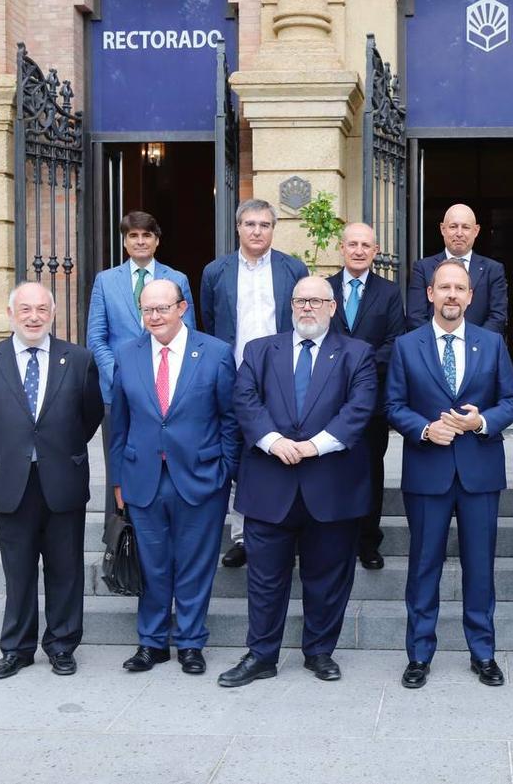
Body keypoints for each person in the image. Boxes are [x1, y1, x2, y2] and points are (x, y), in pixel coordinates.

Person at [218, 276, 377, 687]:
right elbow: (244, 400)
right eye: (300, 300)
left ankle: (320, 652)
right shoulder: (259, 351)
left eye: (316, 301)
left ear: (332, 307)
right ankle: (261, 655)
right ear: (291, 306)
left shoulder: (356, 354)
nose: (307, 307)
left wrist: (314, 446)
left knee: (328, 577)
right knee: (265, 581)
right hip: (271, 483)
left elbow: (358, 410)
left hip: (331, 486)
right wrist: (273, 441)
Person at [386, 259, 513, 689]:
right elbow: (392, 406)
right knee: (423, 566)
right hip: (428, 471)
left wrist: (480, 423)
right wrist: (426, 429)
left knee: (479, 567)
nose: (451, 295)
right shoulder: (407, 346)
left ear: (470, 296)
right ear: (430, 294)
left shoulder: (491, 343)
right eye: (443, 287)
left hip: (479, 472)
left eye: (459, 288)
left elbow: (512, 401)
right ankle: (419, 654)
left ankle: (483, 653)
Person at [0, 282, 103, 679]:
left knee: (66, 568)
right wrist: (10, 452)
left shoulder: (79, 359)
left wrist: (56, 448)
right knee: (18, 570)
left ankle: (61, 644)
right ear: (11, 314)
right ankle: (17, 649)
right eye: (25, 309)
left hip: (62, 478)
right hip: (12, 482)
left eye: (42, 309)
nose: (34, 316)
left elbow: (88, 416)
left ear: (53, 313)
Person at [110, 279, 239, 676]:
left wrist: (225, 471)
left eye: (162, 308)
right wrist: (117, 481)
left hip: (201, 476)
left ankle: (190, 642)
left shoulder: (215, 353)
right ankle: (151, 643)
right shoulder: (126, 354)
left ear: (182, 308)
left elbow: (231, 420)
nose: (155, 317)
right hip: (143, 476)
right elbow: (117, 424)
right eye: (147, 310)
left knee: (196, 564)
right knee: (152, 564)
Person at [200, 198, 309, 568]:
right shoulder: (216, 271)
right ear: (238, 227)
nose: (257, 231)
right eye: (250, 224)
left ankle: (288, 527)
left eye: (264, 224)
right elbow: (210, 321)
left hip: (282, 374)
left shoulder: (292, 268)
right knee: (240, 455)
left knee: (283, 446)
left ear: (273, 229)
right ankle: (243, 536)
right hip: (233, 375)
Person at [87, 211, 195, 539]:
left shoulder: (177, 279)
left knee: (163, 459)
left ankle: (166, 527)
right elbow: (97, 336)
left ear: (157, 240)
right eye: (133, 236)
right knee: (119, 462)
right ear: (124, 241)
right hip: (118, 390)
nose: (140, 241)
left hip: (167, 390)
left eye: (146, 235)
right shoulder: (106, 281)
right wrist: (121, 374)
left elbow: (189, 331)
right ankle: (118, 536)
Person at [326, 222, 406, 570]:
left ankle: (368, 542)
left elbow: (394, 342)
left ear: (375, 252)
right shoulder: (324, 289)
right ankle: (334, 540)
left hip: (372, 402)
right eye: (353, 244)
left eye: (366, 245)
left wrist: (355, 363)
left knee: (370, 472)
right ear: (341, 248)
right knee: (330, 470)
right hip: (327, 400)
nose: (359, 251)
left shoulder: (389, 293)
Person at [406, 203, 507, 334]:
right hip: (432, 350)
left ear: (476, 231)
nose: (459, 233)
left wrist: (474, 344)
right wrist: (439, 343)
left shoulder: (493, 270)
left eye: (465, 227)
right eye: (453, 227)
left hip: (479, 350)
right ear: (443, 229)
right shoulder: (422, 268)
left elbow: (497, 317)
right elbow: (415, 317)